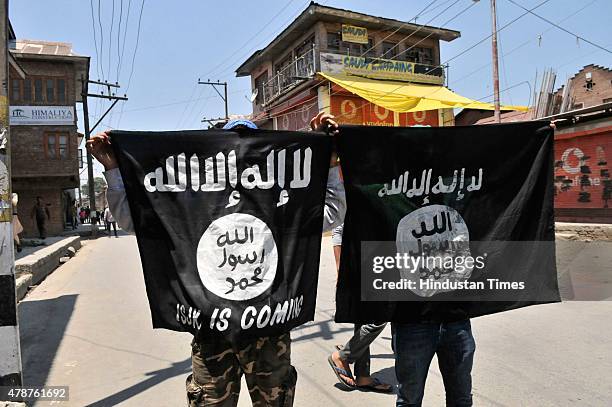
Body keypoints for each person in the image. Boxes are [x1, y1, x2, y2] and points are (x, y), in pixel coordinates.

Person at [86, 114, 345, 407]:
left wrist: (330, 160)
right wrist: (113, 169)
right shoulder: (191, 205)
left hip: (269, 332)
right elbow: (137, 221)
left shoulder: (281, 204)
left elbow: (332, 214)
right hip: (212, 333)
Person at [327, 223, 392, 393]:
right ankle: (343, 356)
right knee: (382, 314)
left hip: (377, 255)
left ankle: (363, 376)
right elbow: (338, 228)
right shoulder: (355, 195)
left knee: (365, 316)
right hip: (361, 260)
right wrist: (341, 268)